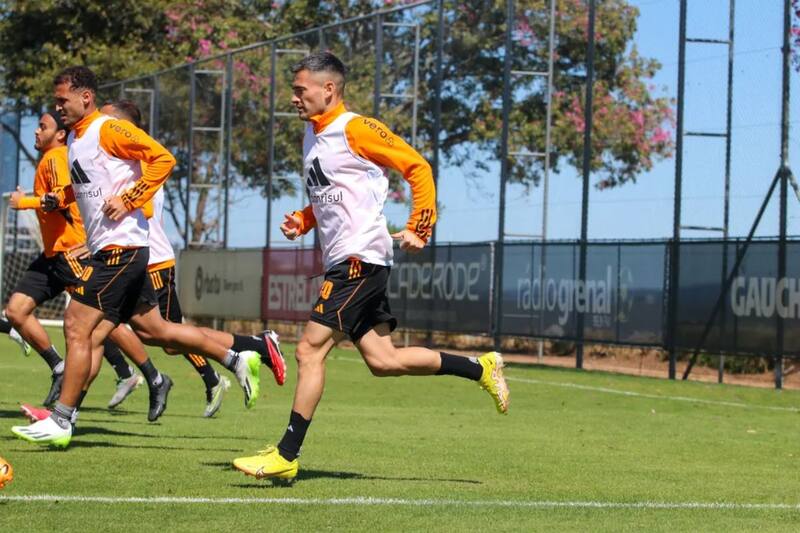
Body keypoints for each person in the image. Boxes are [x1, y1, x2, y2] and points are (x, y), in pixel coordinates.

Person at [232, 52, 509, 483]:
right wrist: (304, 219)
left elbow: (416, 166)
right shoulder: (312, 135)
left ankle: (286, 454)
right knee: (383, 361)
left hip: (360, 260)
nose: (294, 98)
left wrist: (420, 224)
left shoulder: (356, 128)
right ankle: (480, 368)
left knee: (308, 350)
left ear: (329, 89)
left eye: (300, 90)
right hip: (349, 261)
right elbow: (337, 192)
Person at [11, 66, 263, 448]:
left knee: (78, 327)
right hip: (114, 250)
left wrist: (130, 198)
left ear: (86, 97)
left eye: (63, 100)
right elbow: (78, 190)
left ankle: (62, 420)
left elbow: (163, 158)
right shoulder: (77, 140)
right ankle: (236, 358)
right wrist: (48, 199)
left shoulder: (107, 128)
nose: (58, 107)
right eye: (56, 100)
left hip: (121, 249)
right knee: (155, 331)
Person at [100, 99, 286, 417]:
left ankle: (243, 354)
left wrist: (120, 200)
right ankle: (238, 355)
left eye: (104, 124)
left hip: (151, 261)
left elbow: (141, 208)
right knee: (147, 333)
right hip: (139, 258)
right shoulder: (120, 162)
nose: (96, 131)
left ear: (124, 128)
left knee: (165, 336)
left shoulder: (137, 164)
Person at [5, 111, 165, 417]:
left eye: (44, 126)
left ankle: (145, 375)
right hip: (52, 254)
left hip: (73, 251)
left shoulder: (59, 157)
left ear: (60, 134)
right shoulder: (58, 156)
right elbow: (63, 196)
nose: (36, 132)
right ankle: (59, 369)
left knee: (101, 323)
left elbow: (70, 199)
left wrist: (25, 202)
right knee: (18, 310)